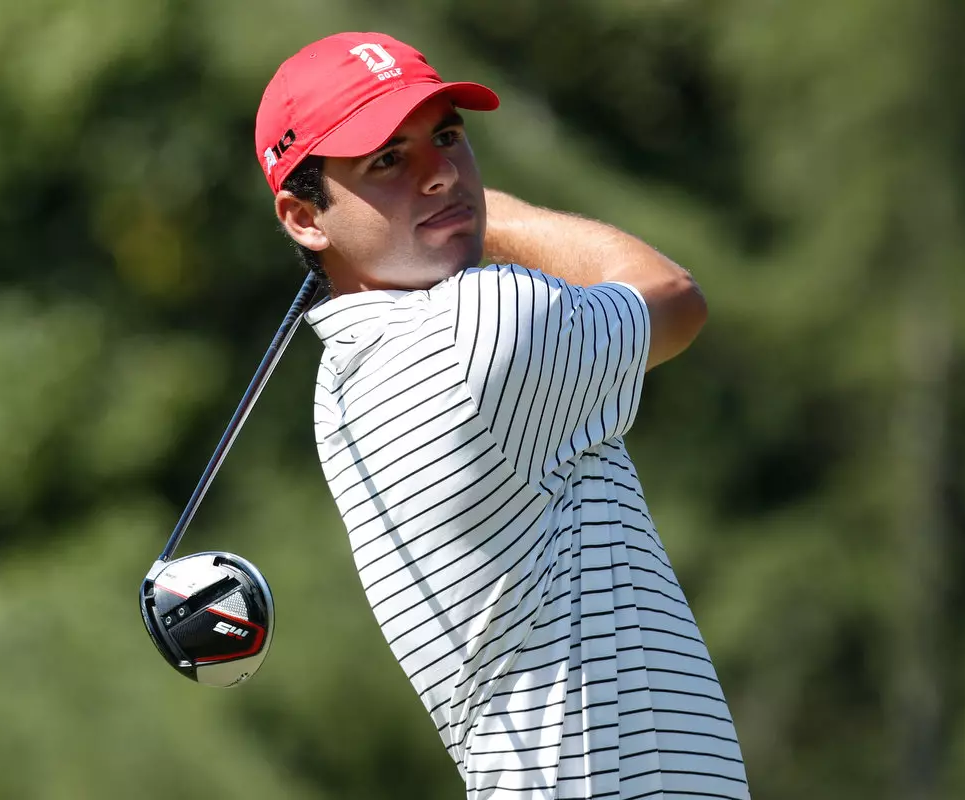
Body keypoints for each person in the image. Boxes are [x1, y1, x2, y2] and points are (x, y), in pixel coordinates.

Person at [255, 31, 751, 799]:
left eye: (448, 137)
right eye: (388, 159)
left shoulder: (340, 392)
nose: (440, 173)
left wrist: (445, 216)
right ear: (303, 217)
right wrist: (492, 219)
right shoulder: (481, 326)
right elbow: (673, 294)